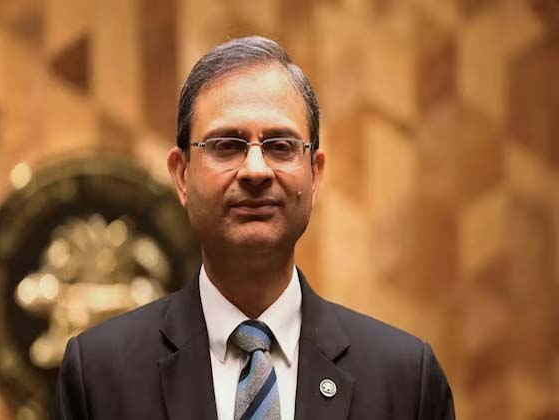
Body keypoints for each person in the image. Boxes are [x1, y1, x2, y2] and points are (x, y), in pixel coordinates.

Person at [55, 36, 455, 420]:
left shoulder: (405, 379)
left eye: (280, 146)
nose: (256, 170)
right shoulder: (100, 374)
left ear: (315, 175)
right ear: (182, 175)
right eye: (227, 145)